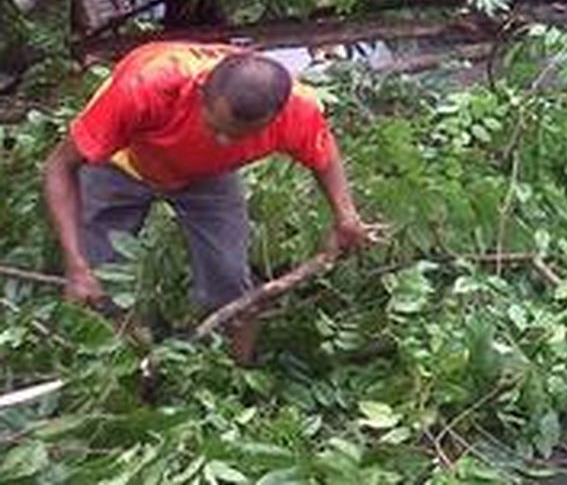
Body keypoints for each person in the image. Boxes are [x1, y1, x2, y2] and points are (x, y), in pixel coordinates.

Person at [41, 42, 380, 363]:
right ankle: (114, 369)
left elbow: (323, 156)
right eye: (214, 126)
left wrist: (346, 217)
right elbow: (60, 166)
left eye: (236, 135)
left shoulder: (297, 110)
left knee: (229, 282)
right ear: (201, 92)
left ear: (276, 118)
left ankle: (234, 383)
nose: (221, 140)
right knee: (94, 282)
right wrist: (76, 263)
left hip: (208, 177)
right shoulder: (145, 87)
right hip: (122, 162)